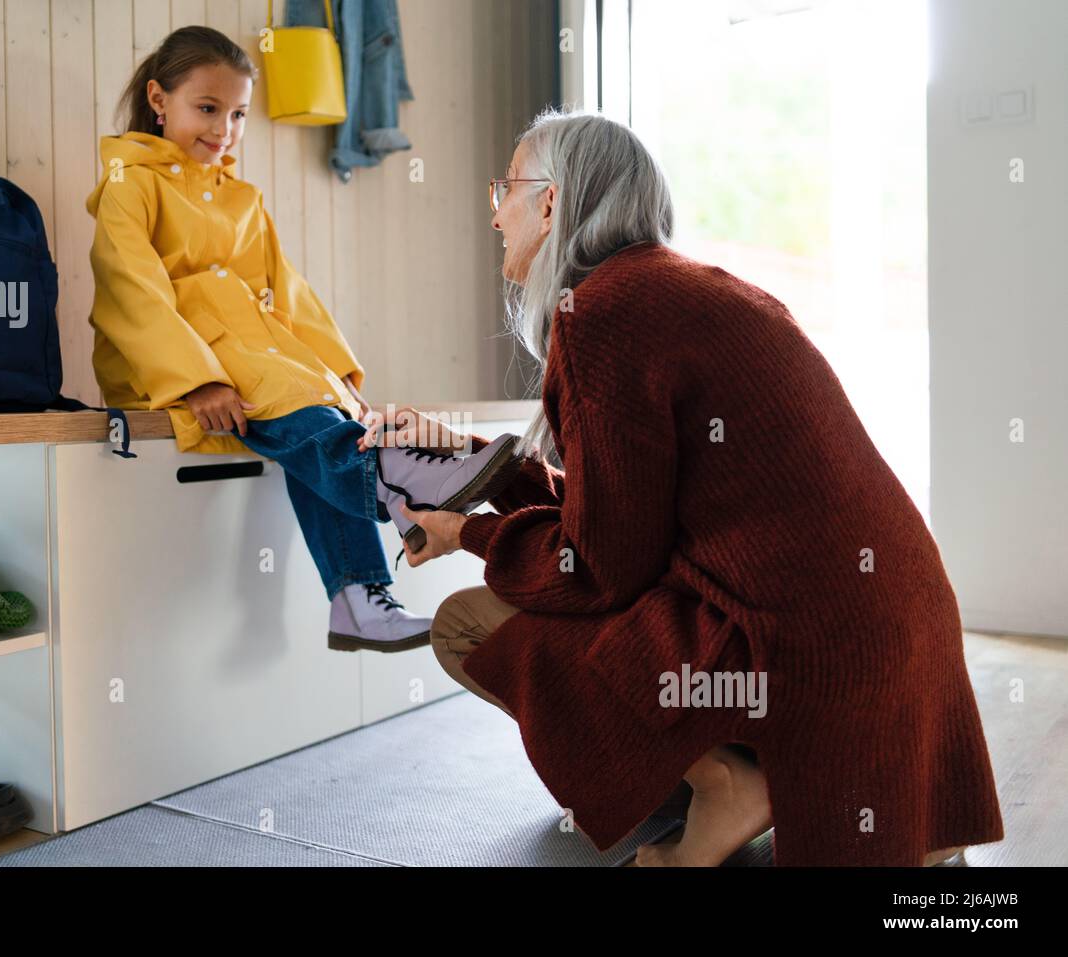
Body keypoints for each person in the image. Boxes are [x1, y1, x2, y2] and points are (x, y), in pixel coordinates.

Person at [394, 106, 1005, 866]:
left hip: (797, 653)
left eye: (504, 189)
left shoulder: (603, 315)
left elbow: (602, 565)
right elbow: (622, 511)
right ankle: (739, 788)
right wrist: (469, 459)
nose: (495, 215)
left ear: (550, 202)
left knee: (462, 625)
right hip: (892, 656)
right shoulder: (686, 290)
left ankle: (728, 784)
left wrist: (469, 534)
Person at [85, 26, 522, 653]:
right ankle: (399, 484)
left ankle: (356, 597)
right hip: (173, 366)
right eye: (207, 109)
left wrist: (339, 371)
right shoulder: (131, 186)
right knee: (300, 407)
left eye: (236, 114)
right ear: (159, 99)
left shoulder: (243, 199)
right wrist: (196, 376)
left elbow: (288, 292)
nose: (224, 129)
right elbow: (131, 291)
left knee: (320, 413)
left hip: (253, 363)